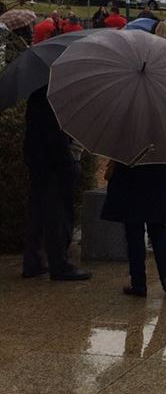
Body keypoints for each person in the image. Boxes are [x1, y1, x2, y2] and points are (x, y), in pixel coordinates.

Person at [21, 86, 92, 281]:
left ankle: (32, 262)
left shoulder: (36, 93)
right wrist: (68, 162)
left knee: (37, 212)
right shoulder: (56, 96)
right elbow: (57, 135)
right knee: (57, 214)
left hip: (37, 161)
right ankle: (60, 265)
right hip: (55, 164)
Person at [102, 154, 166, 297]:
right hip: (158, 183)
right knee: (159, 233)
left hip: (130, 185)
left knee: (134, 235)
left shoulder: (124, 132)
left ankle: (138, 283)